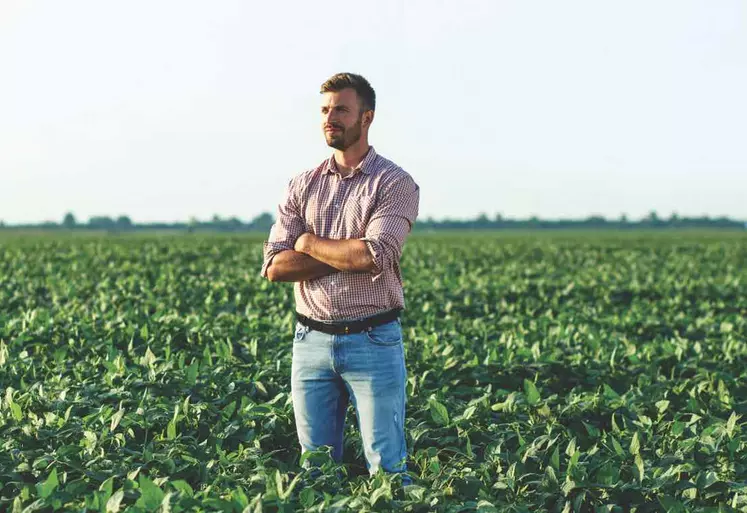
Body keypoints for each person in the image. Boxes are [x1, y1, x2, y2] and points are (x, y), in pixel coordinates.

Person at [260, 72, 420, 487]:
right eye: (325, 110)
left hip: (373, 340)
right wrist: (348, 256)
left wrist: (308, 241)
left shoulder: (394, 183)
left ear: (366, 118)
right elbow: (276, 266)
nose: (330, 118)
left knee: (387, 468)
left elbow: (376, 254)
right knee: (316, 471)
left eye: (341, 110)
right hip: (309, 343)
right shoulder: (302, 184)